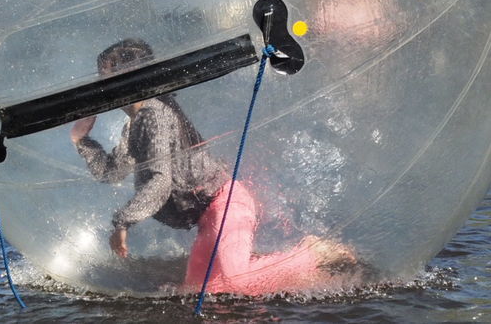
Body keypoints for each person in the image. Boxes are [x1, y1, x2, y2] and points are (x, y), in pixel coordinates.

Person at [71, 38, 359, 295]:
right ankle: (303, 276)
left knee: (237, 282)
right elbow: (113, 172)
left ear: (129, 78)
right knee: (201, 291)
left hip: (225, 206)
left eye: (106, 78)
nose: (101, 88)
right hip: (208, 218)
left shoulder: (153, 115)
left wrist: (123, 223)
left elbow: (160, 182)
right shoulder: (135, 124)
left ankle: (313, 254)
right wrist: (81, 140)